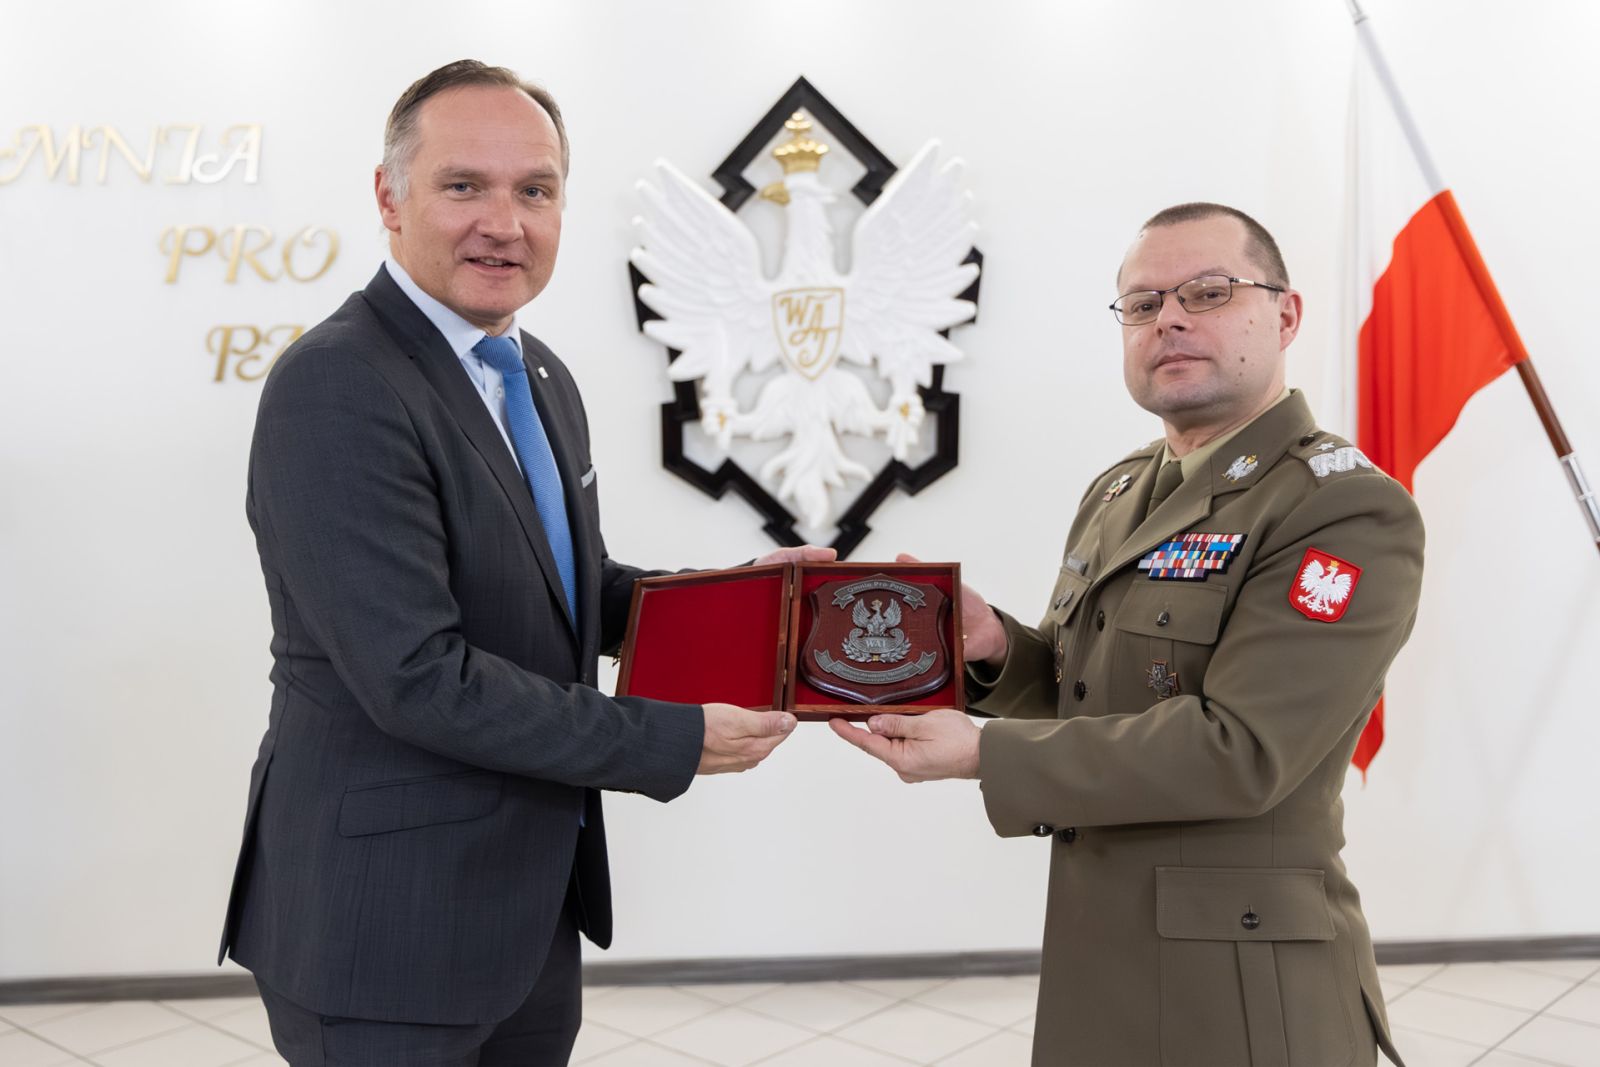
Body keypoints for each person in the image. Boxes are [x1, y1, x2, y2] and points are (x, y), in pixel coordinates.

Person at [219, 60, 826, 1066]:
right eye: (464, 185)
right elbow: (416, 676)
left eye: (535, 190)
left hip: (527, 908)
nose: (504, 223)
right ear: (389, 197)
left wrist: (752, 601)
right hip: (384, 925)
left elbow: (572, 588)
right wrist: (667, 737)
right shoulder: (337, 383)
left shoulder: (536, 374)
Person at [833, 203, 1422, 1067]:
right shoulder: (1120, 492)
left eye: (1207, 292)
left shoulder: (1342, 507)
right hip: (1100, 957)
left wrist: (984, 754)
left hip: (1240, 989)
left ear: (1286, 315)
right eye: (1143, 304)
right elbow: (1085, 692)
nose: (1169, 319)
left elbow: (1242, 748)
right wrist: (997, 648)